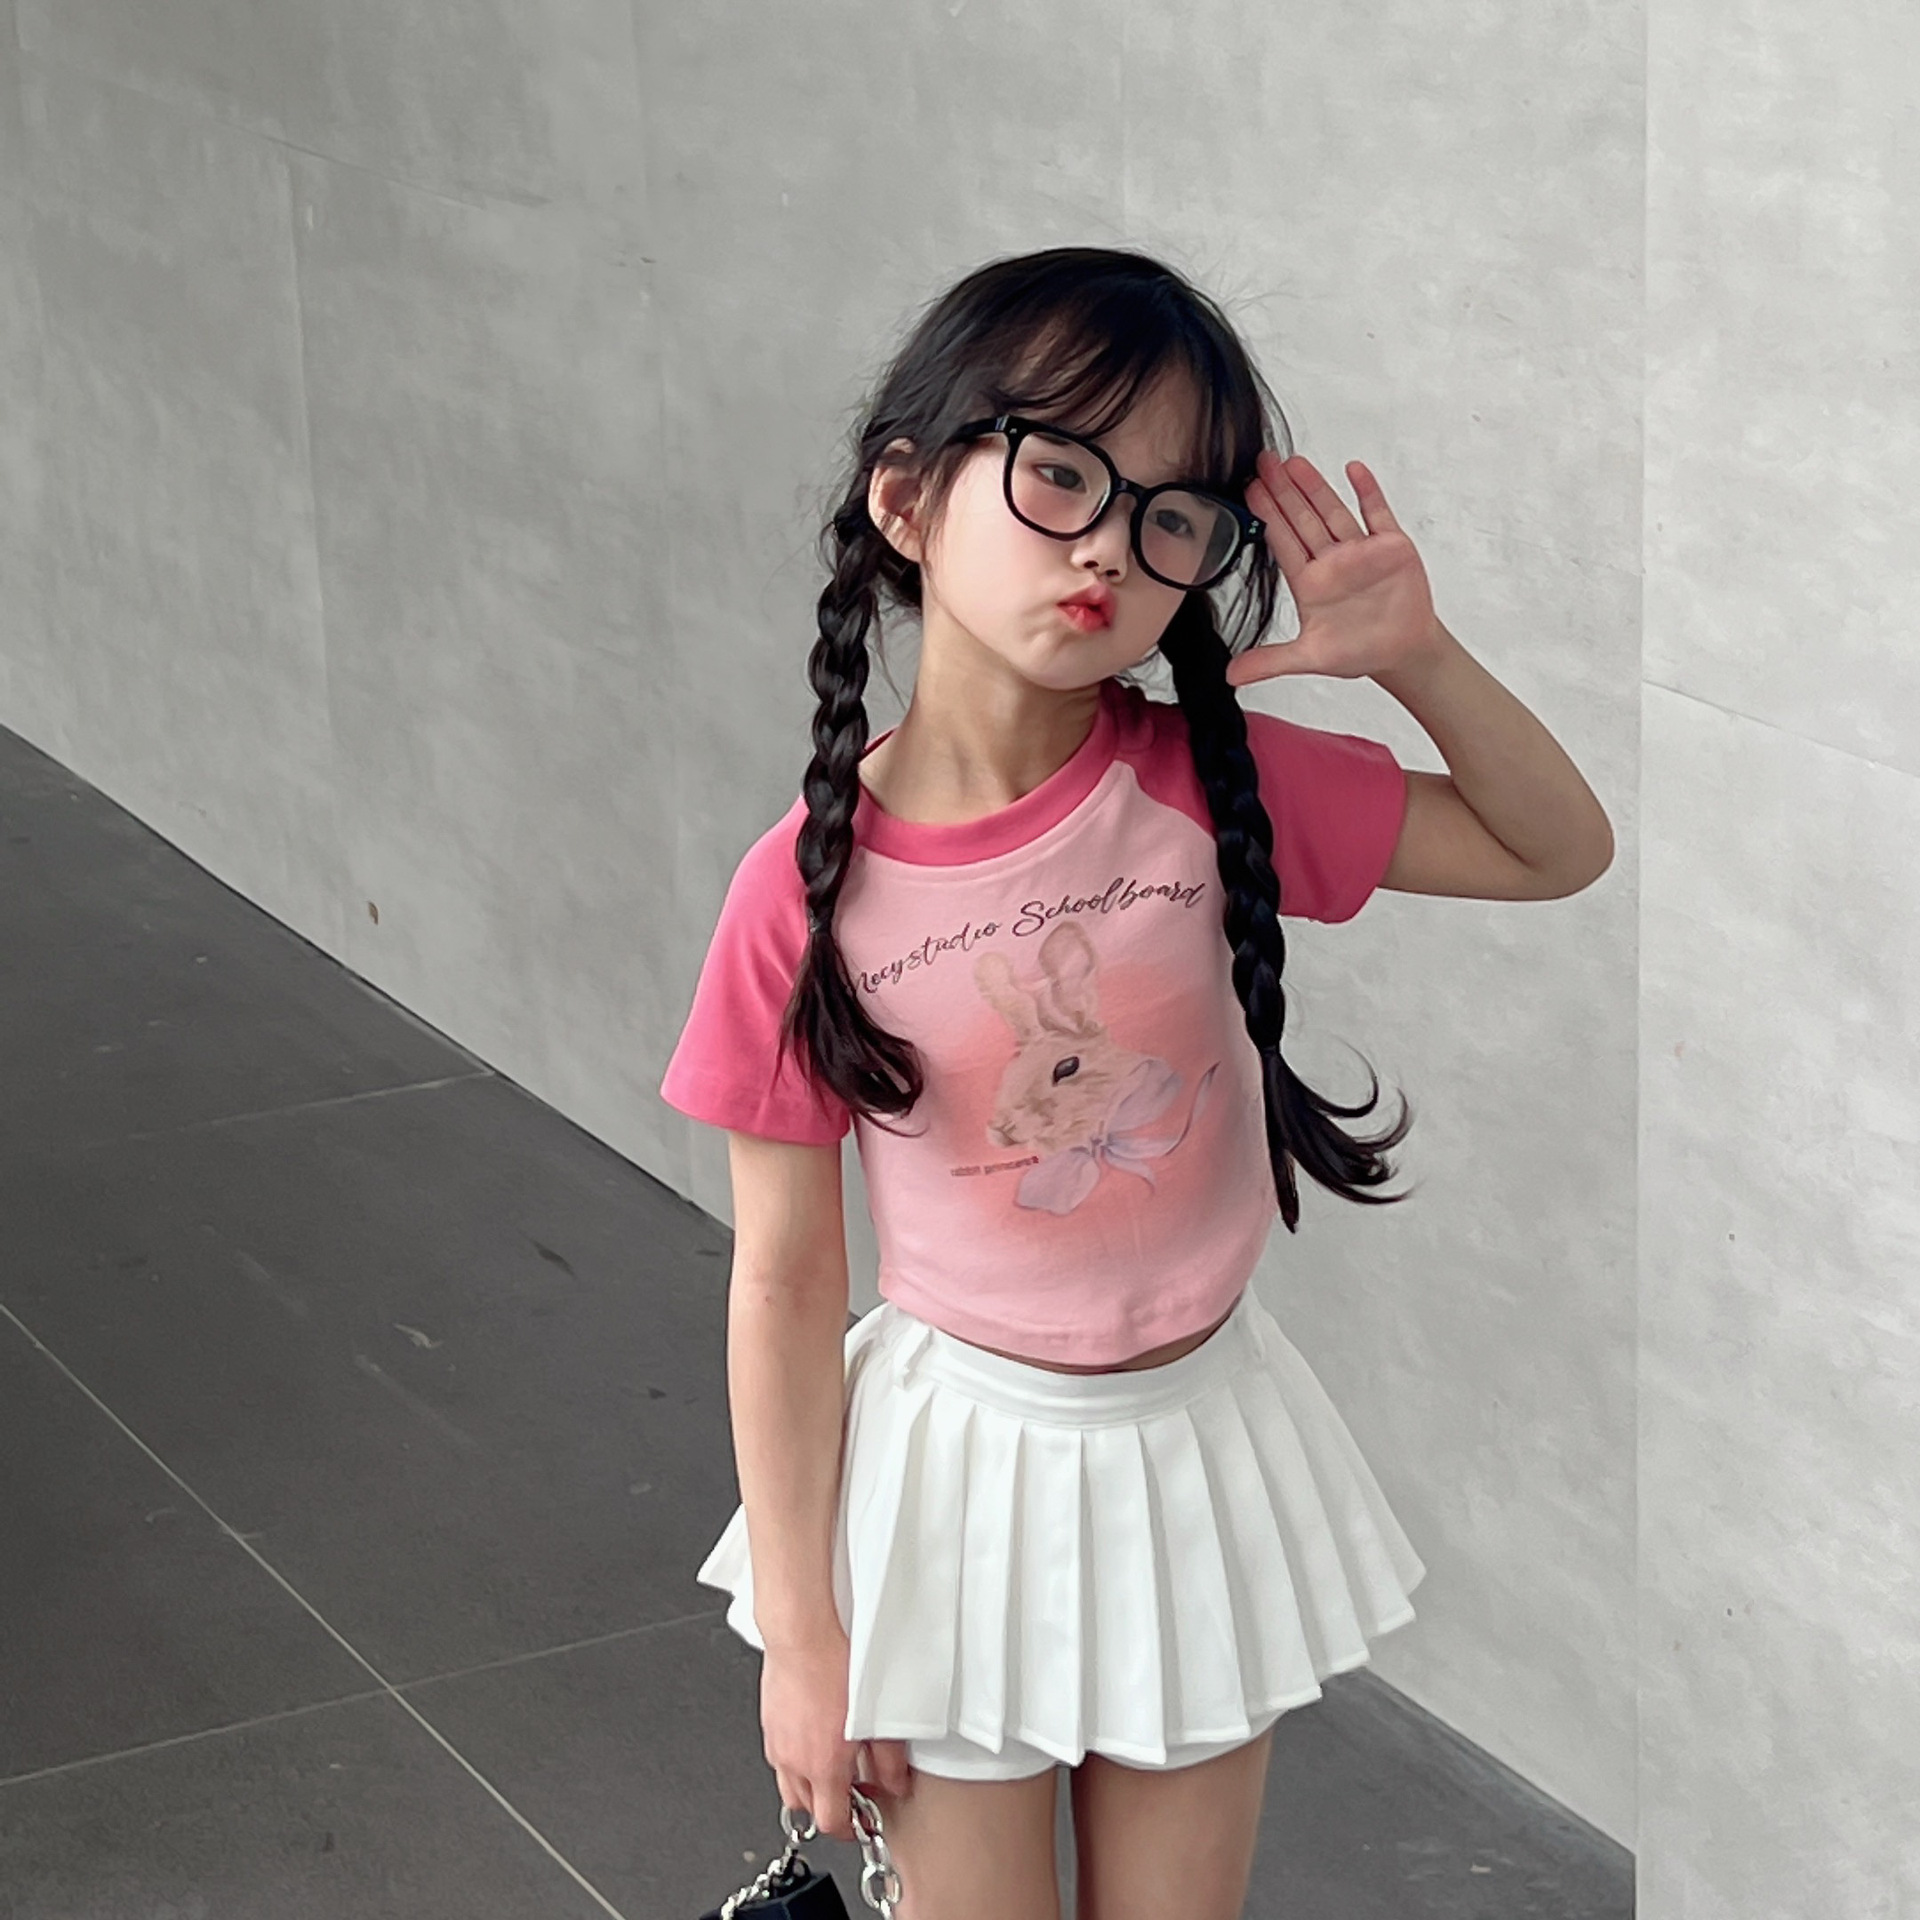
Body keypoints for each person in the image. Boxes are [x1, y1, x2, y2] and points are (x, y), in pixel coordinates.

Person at [661, 245, 1613, 1920]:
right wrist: (804, 1640)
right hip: (959, 1486)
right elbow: (786, 1280)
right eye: (1060, 475)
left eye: (1172, 514)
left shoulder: (1205, 787)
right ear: (906, 500)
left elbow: (1557, 848)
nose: (1109, 542)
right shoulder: (799, 898)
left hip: (1195, 1459)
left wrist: (1417, 659)